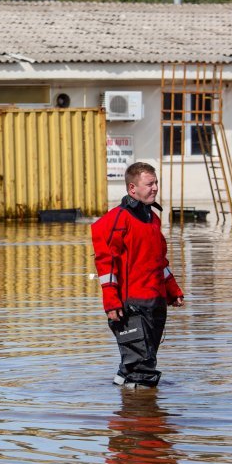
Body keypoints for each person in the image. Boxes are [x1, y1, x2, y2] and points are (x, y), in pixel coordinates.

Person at [91, 162, 184, 388]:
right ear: (132, 189)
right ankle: (146, 420)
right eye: (149, 184)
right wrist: (111, 302)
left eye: (156, 183)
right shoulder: (117, 219)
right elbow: (106, 264)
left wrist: (172, 291)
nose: (155, 188)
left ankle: (129, 413)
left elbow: (158, 261)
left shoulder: (153, 219)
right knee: (142, 369)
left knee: (138, 363)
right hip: (131, 306)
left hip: (155, 302)